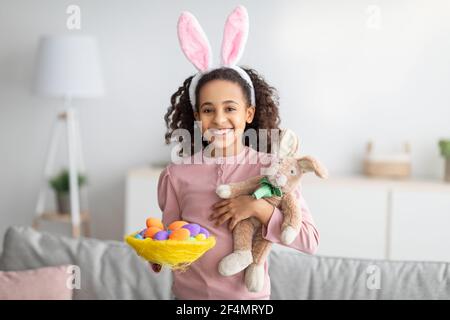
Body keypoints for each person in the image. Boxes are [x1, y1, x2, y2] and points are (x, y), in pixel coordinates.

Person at [153, 6, 319, 300]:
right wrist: (160, 251)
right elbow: (171, 232)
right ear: (197, 116)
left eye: (230, 108)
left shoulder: (272, 169)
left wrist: (257, 208)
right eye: (208, 110)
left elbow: (309, 240)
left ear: (249, 113)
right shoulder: (177, 174)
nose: (218, 119)